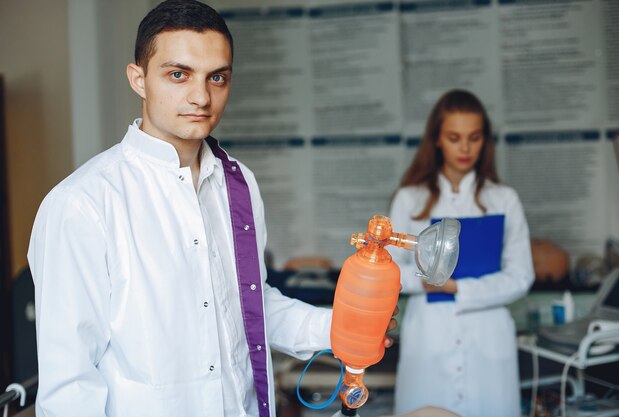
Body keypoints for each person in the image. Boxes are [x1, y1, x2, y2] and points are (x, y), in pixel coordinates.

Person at [27, 1, 396, 416]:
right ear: (139, 79)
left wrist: (346, 328)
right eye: (178, 75)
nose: (201, 97)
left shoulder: (238, 183)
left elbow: (247, 307)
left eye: (216, 77)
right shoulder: (83, 204)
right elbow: (69, 386)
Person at [389, 89, 534, 417]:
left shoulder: (504, 199)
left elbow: (522, 276)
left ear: (486, 141)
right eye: (454, 138)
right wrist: (426, 281)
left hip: (488, 336)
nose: (465, 148)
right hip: (429, 332)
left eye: (474, 137)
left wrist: (460, 288)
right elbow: (392, 269)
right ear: (437, 139)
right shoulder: (409, 199)